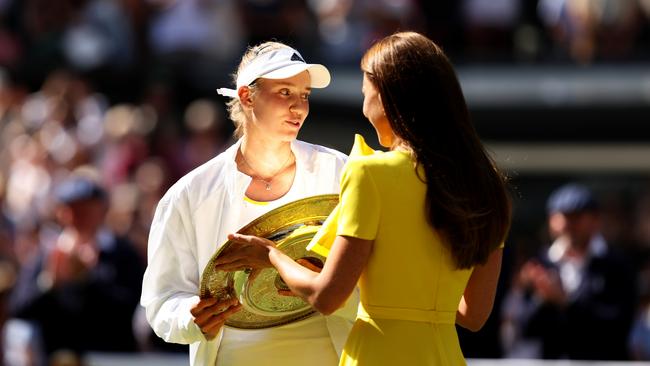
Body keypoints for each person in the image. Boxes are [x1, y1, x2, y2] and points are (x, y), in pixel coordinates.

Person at [227, 31, 512, 365]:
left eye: (366, 93)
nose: (363, 108)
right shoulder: (487, 184)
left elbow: (327, 296)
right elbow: (472, 315)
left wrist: (272, 255)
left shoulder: (370, 173)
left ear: (387, 97)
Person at [140, 41, 356, 365]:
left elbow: (376, 276)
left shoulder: (342, 173)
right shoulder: (189, 194)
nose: (299, 107)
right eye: (285, 92)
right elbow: (161, 302)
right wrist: (192, 316)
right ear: (246, 96)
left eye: (305, 95)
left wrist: (332, 282)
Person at [6, 173, 144, 362]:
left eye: (88, 209)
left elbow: (133, 308)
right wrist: (49, 283)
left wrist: (89, 279)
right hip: (56, 356)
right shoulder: (47, 254)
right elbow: (19, 308)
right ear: (61, 213)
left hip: (111, 356)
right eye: (74, 209)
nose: (80, 217)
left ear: (103, 211)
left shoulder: (122, 253)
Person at [500, 183, 637, 360]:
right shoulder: (541, 263)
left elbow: (617, 326)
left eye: (577, 218)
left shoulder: (617, 264)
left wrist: (565, 302)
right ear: (551, 221)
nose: (568, 225)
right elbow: (524, 329)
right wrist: (539, 298)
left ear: (595, 220)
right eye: (563, 218)